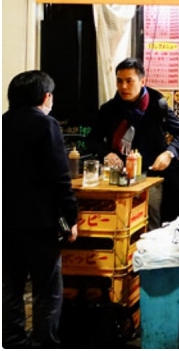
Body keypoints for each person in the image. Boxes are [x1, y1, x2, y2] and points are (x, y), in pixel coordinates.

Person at [2, 71, 78, 348]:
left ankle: (12, 341)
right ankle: (45, 342)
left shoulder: (2, 124)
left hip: (6, 222)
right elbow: (60, 178)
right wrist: (71, 217)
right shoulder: (46, 125)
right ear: (46, 97)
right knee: (47, 289)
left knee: (11, 286)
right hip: (40, 223)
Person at [87, 58, 179, 229]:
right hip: (119, 176)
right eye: (119, 81)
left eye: (129, 81)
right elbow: (92, 139)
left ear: (143, 81)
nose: (123, 87)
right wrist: (107, 153)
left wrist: (169, 153)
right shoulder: (109, 109)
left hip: (152, 174)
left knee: (152, 222)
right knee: (121, 223)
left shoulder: (158, 105)